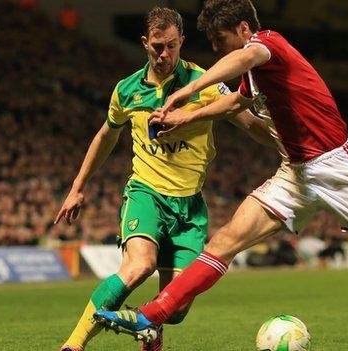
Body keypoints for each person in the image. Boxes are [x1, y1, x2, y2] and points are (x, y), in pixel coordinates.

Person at [95, 1, 348, 350]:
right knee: (226, 240)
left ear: (245, 29)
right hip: (295, 172)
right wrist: (186, 115)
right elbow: (236, 102)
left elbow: (242, 61)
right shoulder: (254, 71)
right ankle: (150, 315)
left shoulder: (268, 44)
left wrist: (189, 89)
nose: (216, 49)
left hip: (338, 168)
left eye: (220, 39)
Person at [55, 7, 271, 351]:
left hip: (190, 206)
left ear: (182, 42)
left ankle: (147, 326)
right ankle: (73, 344)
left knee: (177, 310)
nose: (164, 54)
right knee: (138, 266)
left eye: (171, 46)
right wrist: (77, 188)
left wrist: (291, 143)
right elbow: (105, 136)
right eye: (157, 46)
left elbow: (249, 124)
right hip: (146, 193)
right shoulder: (126, 90)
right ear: (145, 43)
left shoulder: (206, 82)